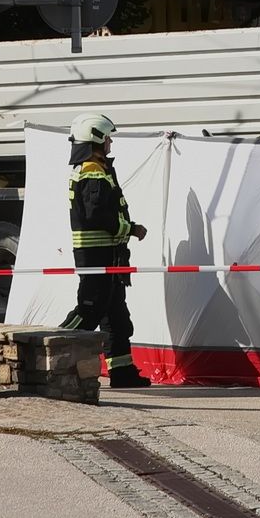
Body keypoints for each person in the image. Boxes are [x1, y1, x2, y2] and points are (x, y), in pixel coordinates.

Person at [64, 112, 150, 389]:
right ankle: (52, 348)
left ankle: (122, 373)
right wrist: (130, 229)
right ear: (96, 138)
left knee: (116, 317)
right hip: (96, 255)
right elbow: (95, 215)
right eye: (108, 137)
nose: (111, 142)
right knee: (89, 309)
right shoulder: (91, 170)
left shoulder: (98, 168)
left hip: (108, 254)